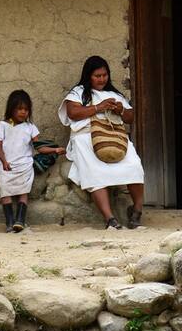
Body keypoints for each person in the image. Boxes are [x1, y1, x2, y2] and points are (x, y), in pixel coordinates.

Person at [58, 56, 146, 229]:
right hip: (85, 139)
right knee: (95, 173)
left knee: (134, 167)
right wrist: (99, 107)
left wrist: (120, 109)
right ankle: (110, 219)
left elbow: (130, 117)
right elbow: (73, 113)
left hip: (114, 138)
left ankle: (136, 211)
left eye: (104, 75)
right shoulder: (79, 92)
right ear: (88, 76)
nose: (101, 79)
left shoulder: (115, 94)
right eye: (97, 76)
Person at [0, 90, 64, 233]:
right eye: (19, 109)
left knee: (23, 192)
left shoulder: (30, 127)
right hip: (7, 166)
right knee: (5, 192)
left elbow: (39, 147)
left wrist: (54, 150)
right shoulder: (3, 125)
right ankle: (9, 222)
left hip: (25, 165)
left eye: (26, 109)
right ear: (11, 109)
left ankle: (20, 221)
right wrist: (4, 161)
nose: (23, 112)